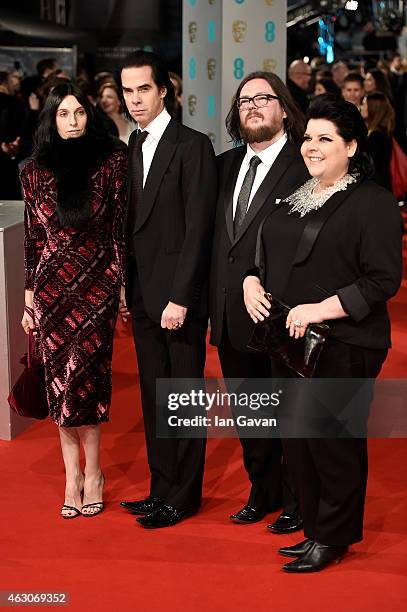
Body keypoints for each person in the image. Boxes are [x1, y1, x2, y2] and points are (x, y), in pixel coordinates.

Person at [243, 94, 403, 572]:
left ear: (351, 146)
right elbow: (268, 250)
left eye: (325, 139)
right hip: (290, 340)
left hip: (346, 343)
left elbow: (382, 281)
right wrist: (252, 278)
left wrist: (319, 310)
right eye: (308, 137)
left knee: (333, 444)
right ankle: (314, 527)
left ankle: (334, 537)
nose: (311, 147)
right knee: (297, 440)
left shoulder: (370, 202)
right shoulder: (300, 192)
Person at [118, 51, 217, 529]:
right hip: (140, 295)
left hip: (178, 298)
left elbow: (199, 227)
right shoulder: (130, 147)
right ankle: (161, 487)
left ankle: (185, 495)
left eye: (143, 89)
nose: (134, 99)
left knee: (184, 398)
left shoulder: (192, 145)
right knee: (154, 396)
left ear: (164, 90)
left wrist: (182, 296)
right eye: (127, 91)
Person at [20, 83, 127, 519]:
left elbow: (119, 227)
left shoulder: (112, 160)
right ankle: (72, 477)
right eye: (64, 114)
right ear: (52, 118)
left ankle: (95, 473)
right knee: (60, 385)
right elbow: (32, 237)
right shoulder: (32, 170)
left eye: (79, 112)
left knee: (86, 380)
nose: (73, 121)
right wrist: (28, 298)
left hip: (97, 285)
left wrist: (121, 285)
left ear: (89, 114)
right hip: (50, 290)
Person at [209, 71, 308, 532]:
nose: (252, 105)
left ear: (283, 109)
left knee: (287, 414)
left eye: (263, 98)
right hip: (230, 312)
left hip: (280, 312)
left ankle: (297, 500)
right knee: (250, 415)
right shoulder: (225, 165)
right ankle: (262, 490)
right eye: (244, 99)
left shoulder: (304, 164)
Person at [361, 92, 395, 191]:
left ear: (372, 108)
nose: (361, 107)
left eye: (364, 104)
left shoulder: (377, 136)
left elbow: (373, 166)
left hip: (377, 186)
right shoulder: (378, 132)